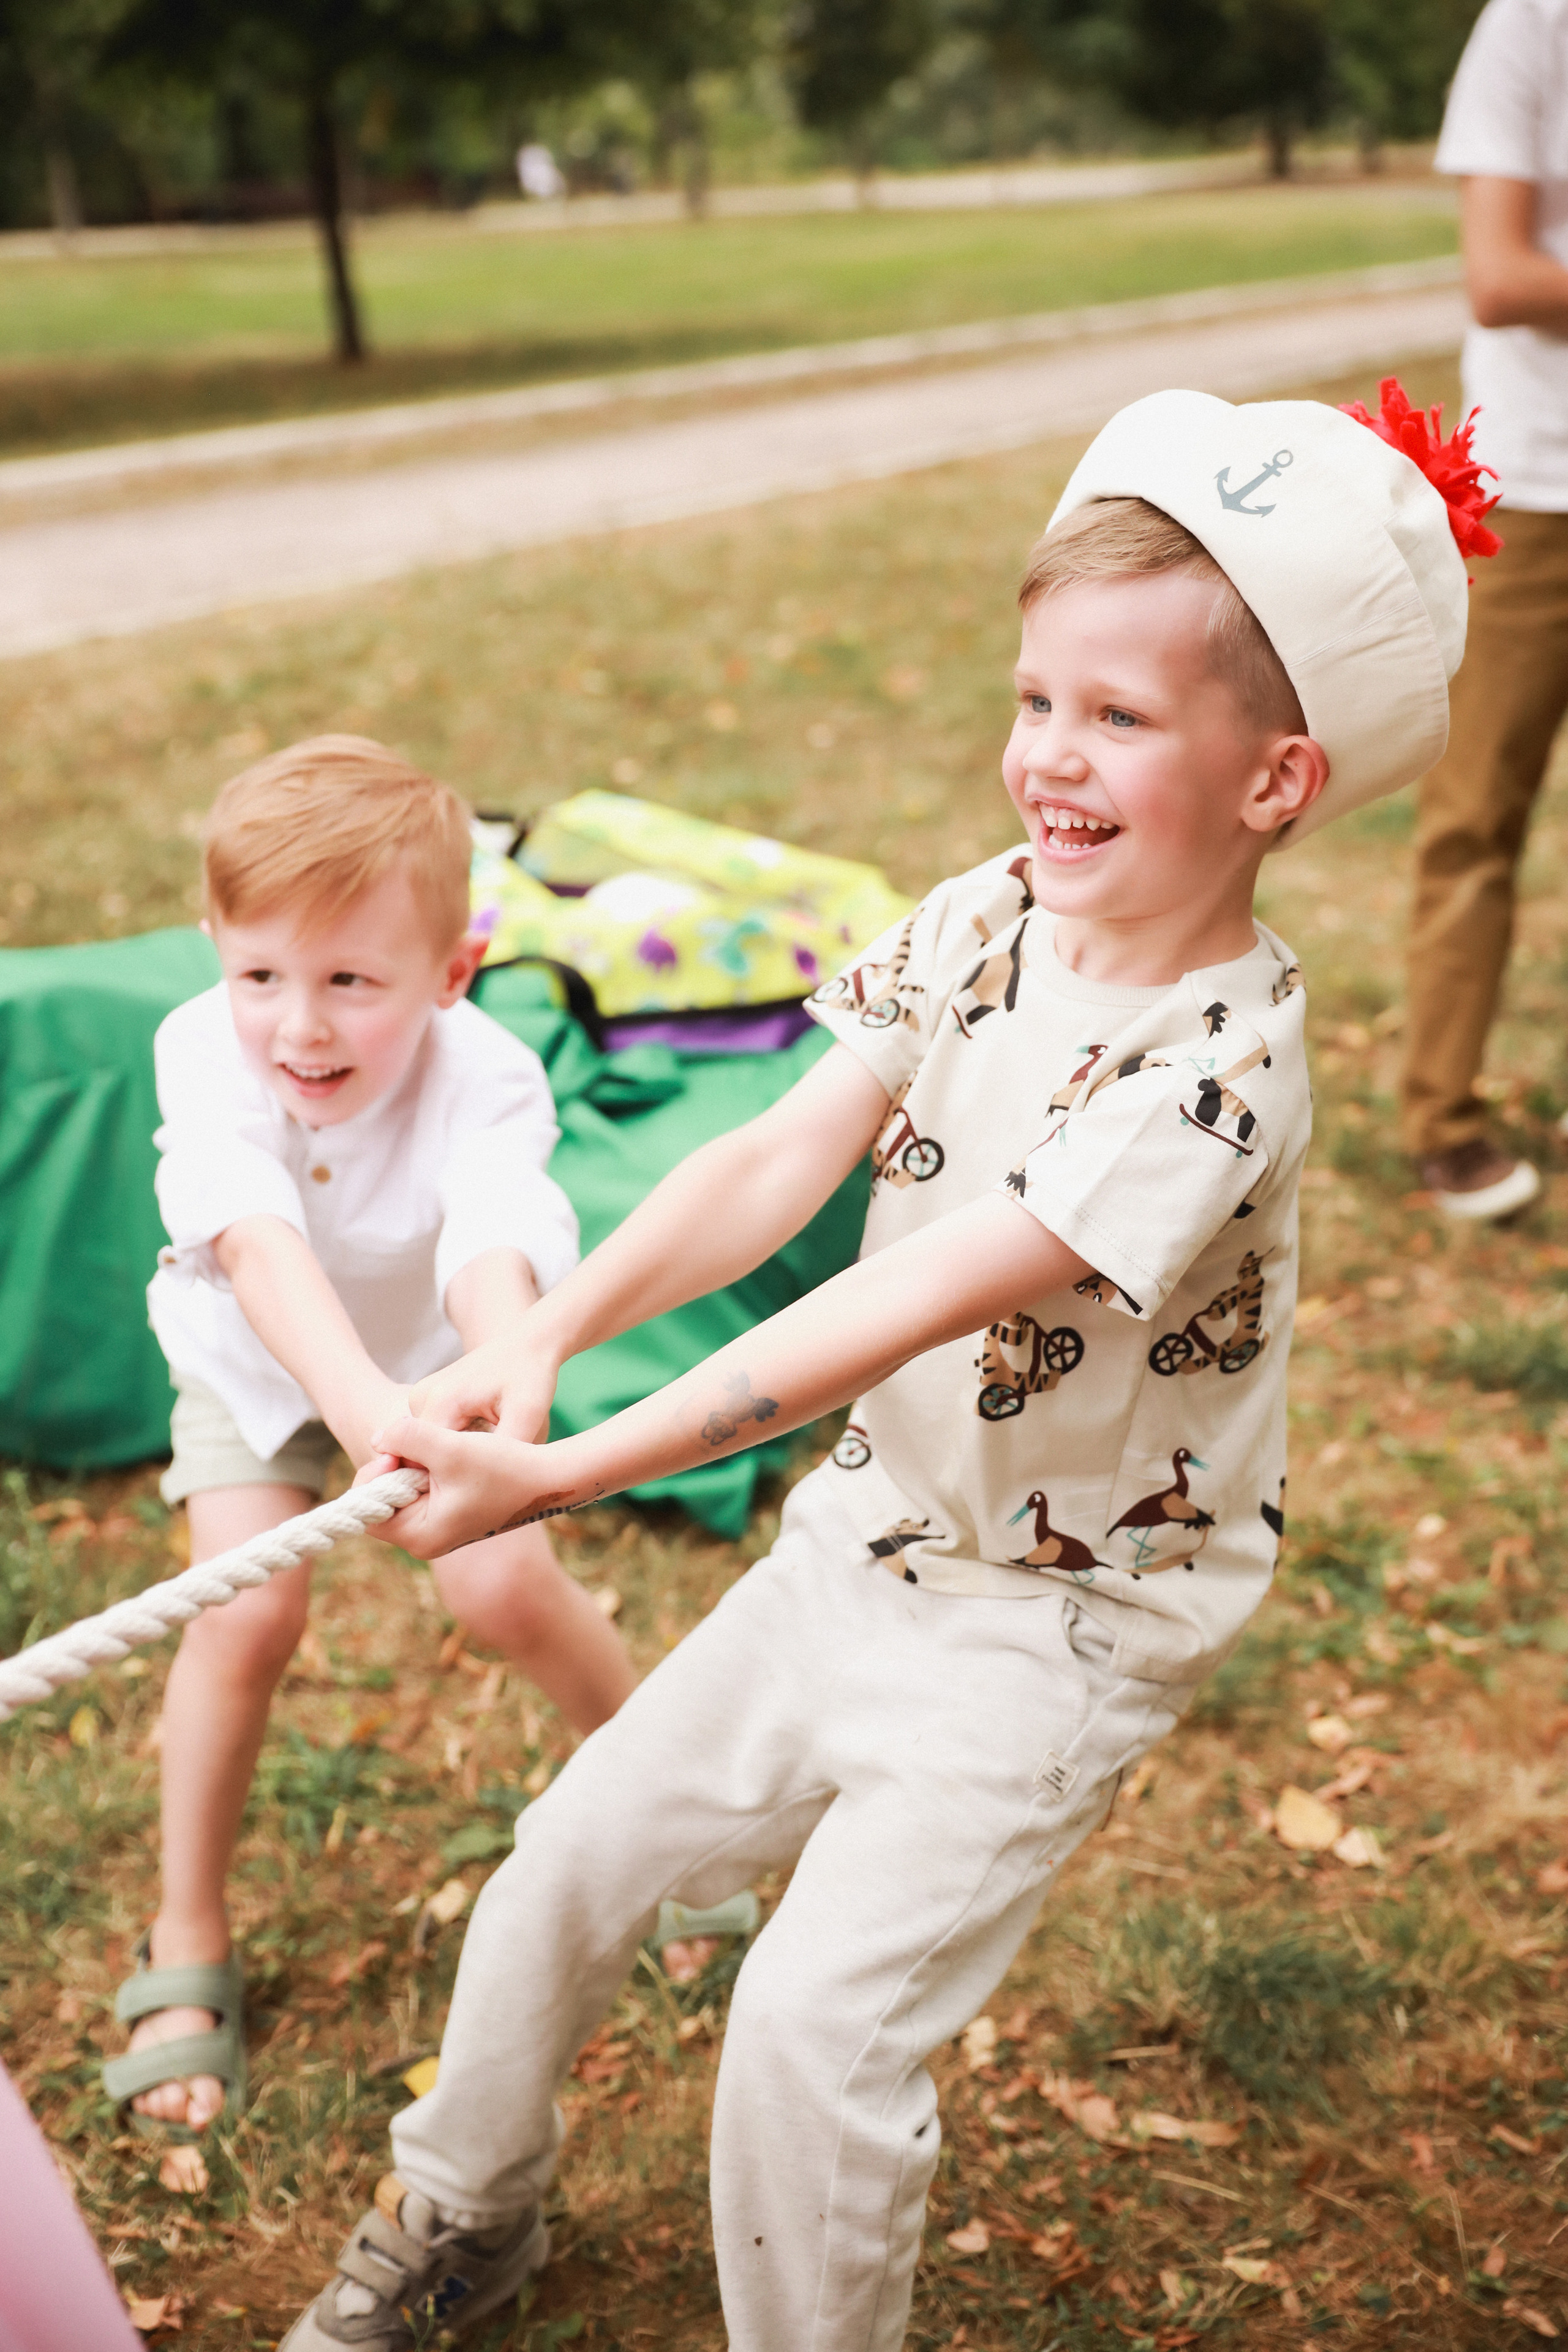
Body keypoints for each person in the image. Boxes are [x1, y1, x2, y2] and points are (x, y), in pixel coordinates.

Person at [281, 384, 1483, 2352]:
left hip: (1056, 1628)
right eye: (1036, 699)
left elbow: (887, 1311)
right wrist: (536, 1340)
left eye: (1117, 719)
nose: (1047, 759)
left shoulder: (1220, 1069)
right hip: (869, 1543)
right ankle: (463, 2214)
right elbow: (777, 1156)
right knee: (563, 1869)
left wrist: (562, 1473)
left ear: (1276, 783)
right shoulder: (985, 919)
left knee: (811, 2037)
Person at [102, 736, 636, 2138]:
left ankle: (672, 1819)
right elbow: (251, 1238)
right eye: (262, 974)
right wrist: (359, 1416)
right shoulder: (196, 1050)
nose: (301, 1027)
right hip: (258, 1368)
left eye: (351, 981)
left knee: (503, 1584)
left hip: (443, 1367)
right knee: (246, 1615)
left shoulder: (490, 1073)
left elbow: (492, 1238)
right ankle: (185, 1935)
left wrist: (499, 1386)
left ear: (451, 974)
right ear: (214, 947)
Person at [1402, 0, 1568, 1219]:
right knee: (1474, 825)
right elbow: (1498, 276)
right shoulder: (1529, 25)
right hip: (1538, 491)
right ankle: (1439, 1117)